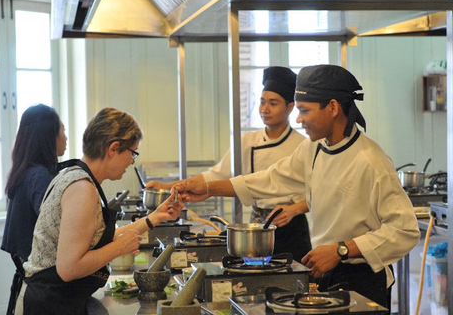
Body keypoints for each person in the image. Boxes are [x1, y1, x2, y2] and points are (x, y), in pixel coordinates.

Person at [175, 64, 420, 311]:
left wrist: (341, 250)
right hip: (327, 273)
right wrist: (208, 188)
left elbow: (405, 230)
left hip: (364, 279)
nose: (299, 119)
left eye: (304, 111)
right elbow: (272, 179)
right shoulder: (314, 148)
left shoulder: (372, 161)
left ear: (333, 108)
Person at [14, 107, 184, 315]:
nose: (132, 161)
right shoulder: (82, 188)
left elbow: (96, 240)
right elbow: (68, 268)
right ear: (113, 148)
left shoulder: (75, 176)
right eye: (132, 153)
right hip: (48, 303)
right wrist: (119, 248)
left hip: (54, 299)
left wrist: (155, 217)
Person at [146, 66, 311, 262]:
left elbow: (317, 192)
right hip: (258, 224)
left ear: (290, 107)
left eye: (273, 103)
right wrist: (167, 186)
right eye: (261, 102)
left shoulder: (302, 144)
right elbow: (216, 175)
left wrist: (295, 209)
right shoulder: (248, 141)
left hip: (290, 225)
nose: (265, 109)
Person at [2, 104, 68, 263]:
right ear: (49, 136)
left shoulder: (25, 171)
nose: (66, 138)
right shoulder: (39, 176)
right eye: (63, 131)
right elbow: (55, 228)